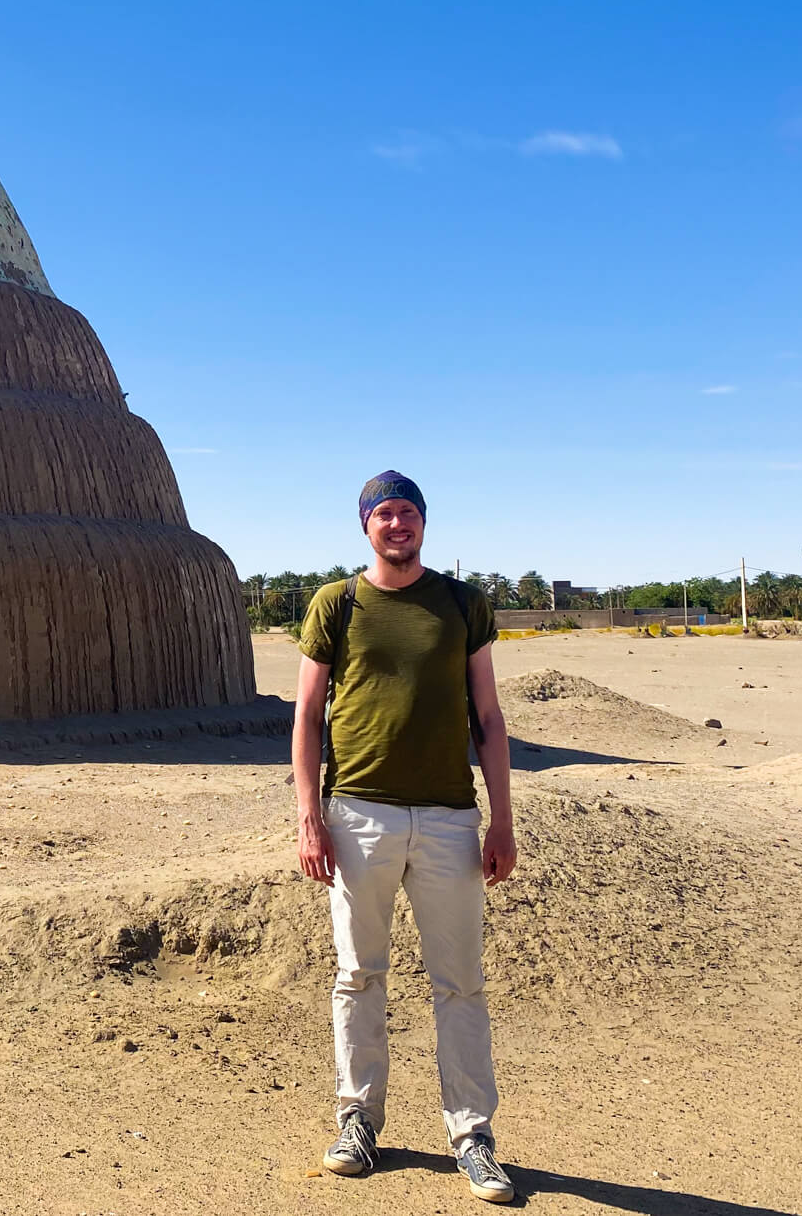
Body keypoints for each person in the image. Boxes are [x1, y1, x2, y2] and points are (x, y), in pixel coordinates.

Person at [291, 470, 519, 1204]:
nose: (398, 525)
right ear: (365, 525)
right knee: (360, 975)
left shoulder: (460, 603)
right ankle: (358, 1121)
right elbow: (306, 717)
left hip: (451, 817)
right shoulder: (338, 603)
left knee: (462, 984)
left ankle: (473, 1138)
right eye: (384, 514)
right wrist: (309, 816)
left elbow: (487, 716)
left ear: (424, 524)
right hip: (359, 815)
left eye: (409, 514)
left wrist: (502, 818)